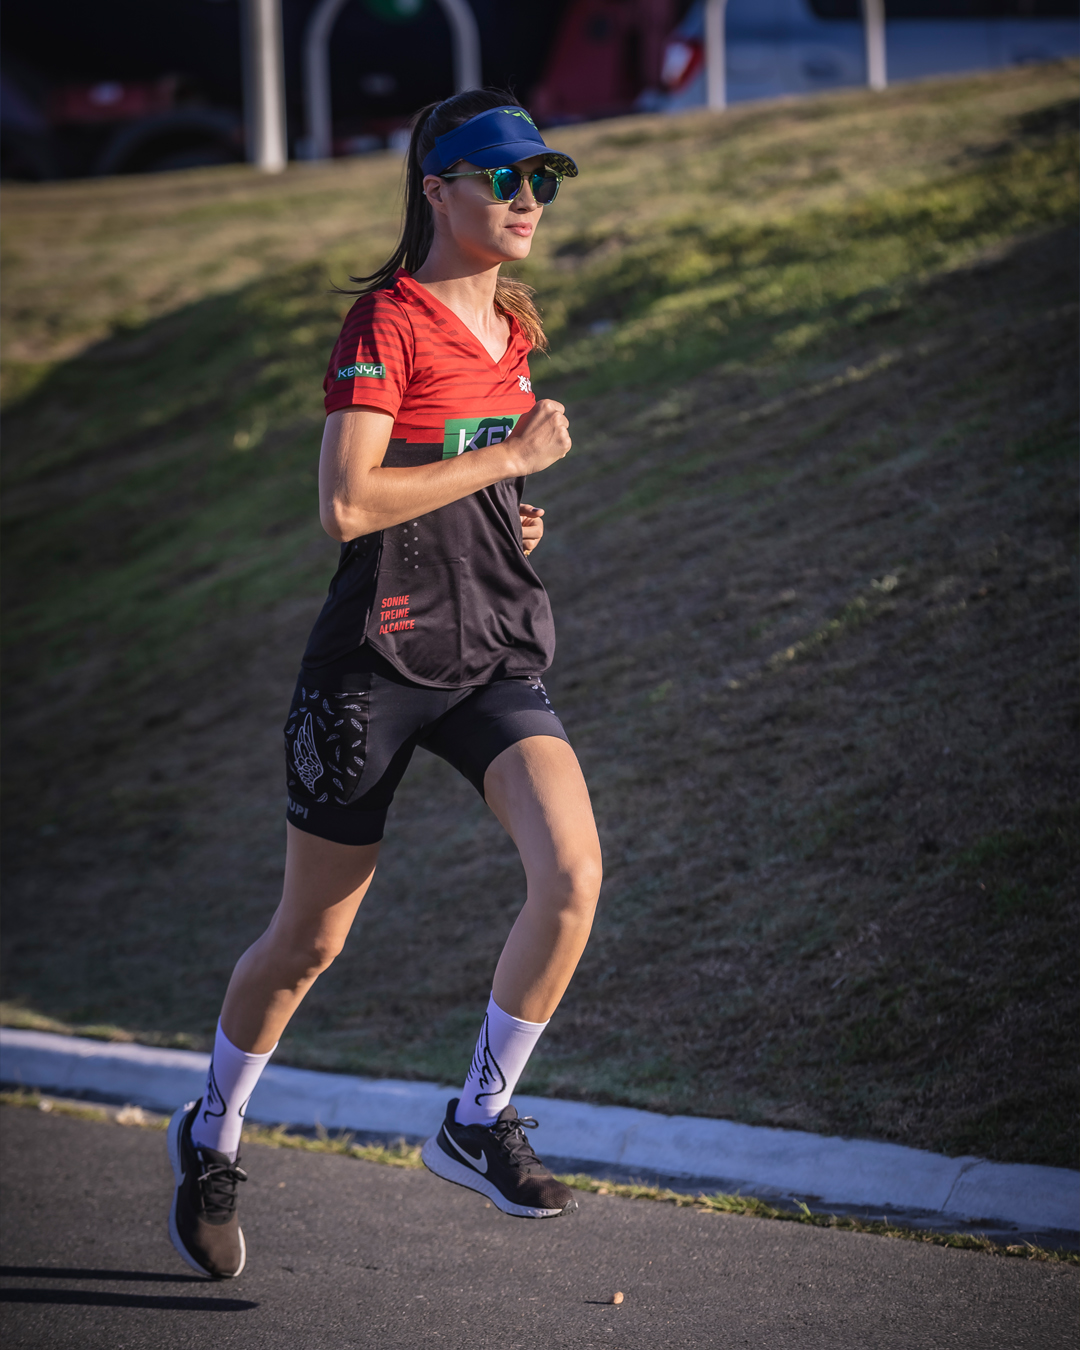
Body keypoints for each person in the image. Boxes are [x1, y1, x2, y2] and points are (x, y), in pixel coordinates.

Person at [166, 90, 603, 1280]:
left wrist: (510, 511)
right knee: (309, 941)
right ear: (437, 189)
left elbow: (468, 479)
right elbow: (348, 504)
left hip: (492, 649)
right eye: (503, 178)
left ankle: (477, 1117)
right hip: (376, 660)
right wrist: (505, 457)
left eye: (542, 179)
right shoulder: (386, 321)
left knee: (572, 874)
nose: (527, 199)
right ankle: (213, 1131)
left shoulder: (513, 324)